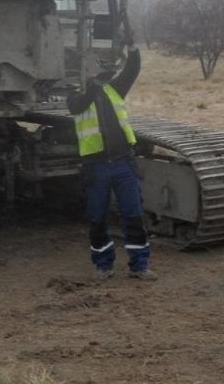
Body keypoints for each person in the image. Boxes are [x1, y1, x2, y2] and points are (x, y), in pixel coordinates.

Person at [66, 39, 156, 281]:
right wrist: (94, 83)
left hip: (122, 162)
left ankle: (140, 265)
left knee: (133, 214)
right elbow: (79, 105)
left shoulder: (114, 89)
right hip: (95, 167)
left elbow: (132, 69)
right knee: (97, 218)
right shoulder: (75, 96)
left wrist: (134, 46)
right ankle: (103, 265)